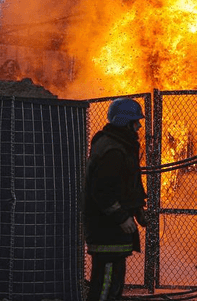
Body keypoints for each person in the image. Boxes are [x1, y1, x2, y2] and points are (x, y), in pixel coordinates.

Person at [83, 98, 149, 301]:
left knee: (113, 282)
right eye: (135, 121)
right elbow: (102, 191)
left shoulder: (119, 145)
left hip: (112, 231)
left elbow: (126, 185)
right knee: (106, 284)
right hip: (107, 230)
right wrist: (121, 217)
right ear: (124, 122)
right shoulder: (113, 150)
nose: (139, 126)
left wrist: (137, 210)